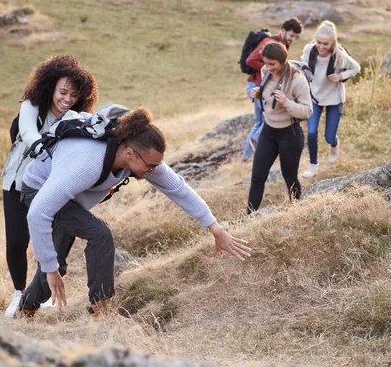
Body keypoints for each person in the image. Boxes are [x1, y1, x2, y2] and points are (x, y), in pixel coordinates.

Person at [18, 108, 252, 316]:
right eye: (150, 166)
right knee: (96, 236)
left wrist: (216, 229)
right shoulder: (88, 163)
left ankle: (26, 310)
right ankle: (101, 309)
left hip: (68, 198)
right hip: (38, 189)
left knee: (57, 263)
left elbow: (177, 188)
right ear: (130, 153)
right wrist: (50, 268)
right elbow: (38, 213)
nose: (153, 171)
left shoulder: (140, 157)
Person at [1, 55, 98, 317]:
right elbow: (28, 130)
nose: (66, 99)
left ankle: (37, 294)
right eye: (62, 92)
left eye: (73, 95)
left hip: (50, 185)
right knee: (17, 241)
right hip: (17, 181)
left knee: (49, 241)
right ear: (51, 87)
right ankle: (18, 293)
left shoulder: (78, 117)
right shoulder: (32, 105)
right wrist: (39, 144)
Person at [246, 42, 312, 214]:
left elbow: (307, 111)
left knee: (290, 178)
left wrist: (287, 102)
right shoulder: (265, 72)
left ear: (283, 60)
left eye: (272, 64)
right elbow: (269, 95)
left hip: (289, 134)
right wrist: (259, 93)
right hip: (269, 131)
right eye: (265, 63)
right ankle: (248, 217)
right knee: (257, 176)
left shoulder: (297, 80)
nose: (268, 67)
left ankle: (298, 212)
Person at [300, 20, 360, 179]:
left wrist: (341, 76)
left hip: (334, 98)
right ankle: (313, 166)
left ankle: (334, 144)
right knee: (311, 132)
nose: (321, 46)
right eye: (318, 42)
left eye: (325, 43)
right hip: (314, 96)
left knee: (329, 137)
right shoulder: (308, 50)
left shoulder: (340, 54)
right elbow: (303, 66)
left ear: (333, 42)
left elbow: (356, 68)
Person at [242, 17, 304, 162]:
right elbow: (250, 60)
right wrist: (269, 70)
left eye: (295, 37)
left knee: (259, 122)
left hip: (260, 86)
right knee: (266, 121)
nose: (293, 39)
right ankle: (254, 148)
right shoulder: (269, 43)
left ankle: (246, 159)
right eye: (292, 35)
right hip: (256, 86)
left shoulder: (283, 43)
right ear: (283, 30)